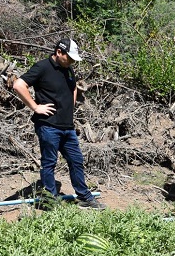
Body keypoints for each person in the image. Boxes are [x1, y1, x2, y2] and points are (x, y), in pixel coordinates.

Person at [12, 38, 105, 210]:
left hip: (67, 127)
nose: (71, 62)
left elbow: (74, 87)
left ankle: (85, 197)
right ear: (59, 52)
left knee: (76, 160)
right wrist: (35, 107)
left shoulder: (68, 69)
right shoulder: (42, 67)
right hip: (48, 126)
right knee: (49, 162)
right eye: (68, 57)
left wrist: (70, 105)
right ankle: (50, 201)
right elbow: (18, 85)